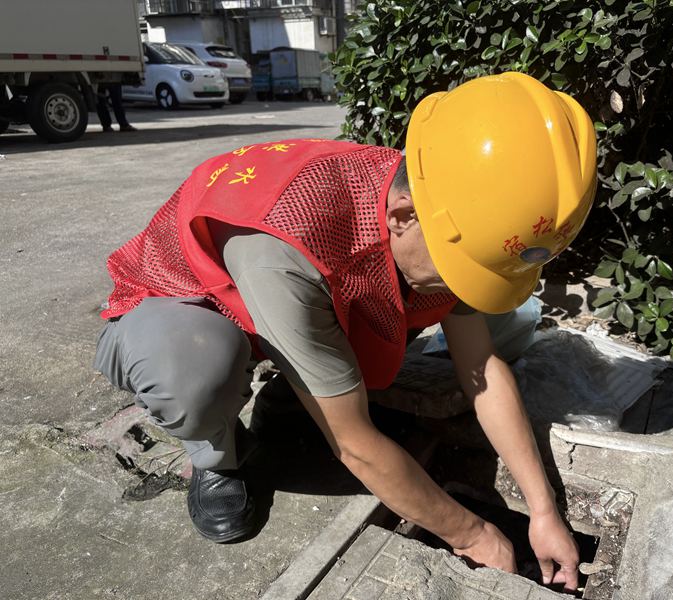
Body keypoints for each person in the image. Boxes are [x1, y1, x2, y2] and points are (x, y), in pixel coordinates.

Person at [93, 72, 596, 591]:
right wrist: (473, 535)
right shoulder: (293, 245)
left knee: (379, 313)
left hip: (291, 291)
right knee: (197, 370)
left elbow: (480, 367)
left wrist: (543, 510)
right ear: (402, 216)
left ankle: (294, 393)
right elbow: (353, 444)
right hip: (182, 299)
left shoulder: (453, 205)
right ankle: (217, 455)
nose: (461, 288)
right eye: (460, 271)